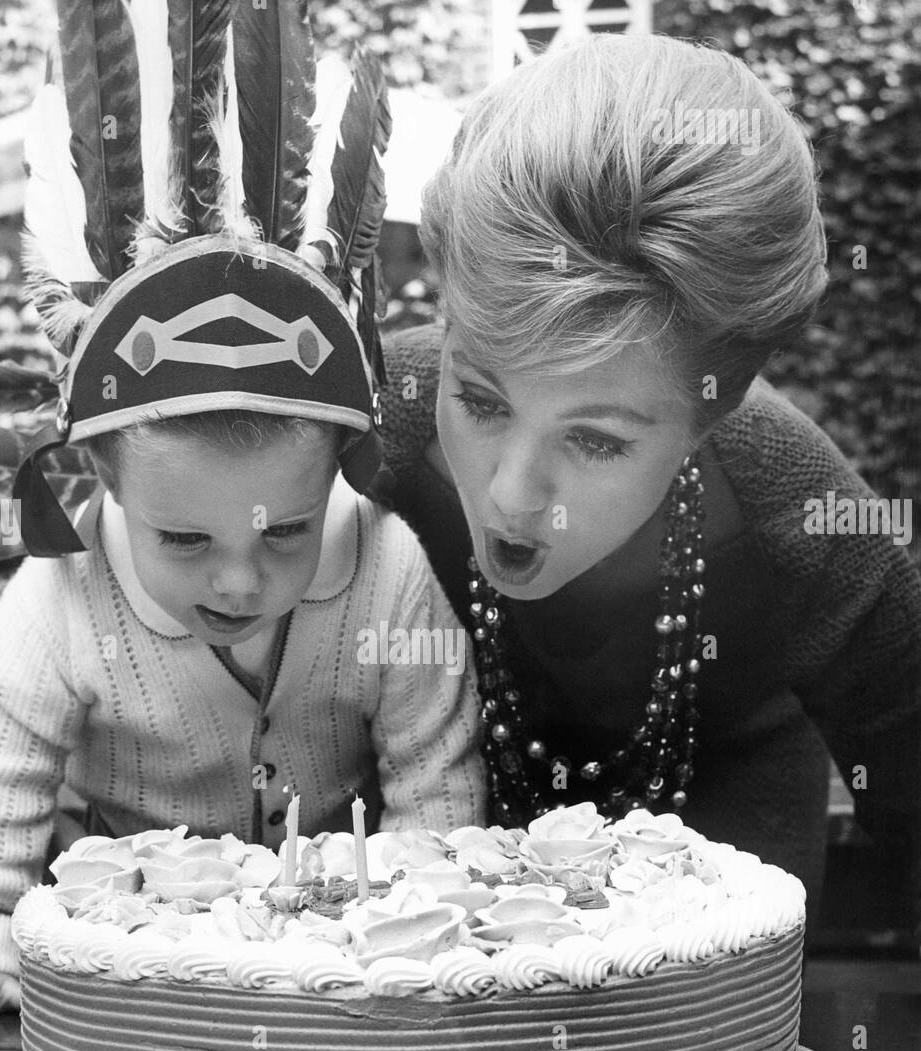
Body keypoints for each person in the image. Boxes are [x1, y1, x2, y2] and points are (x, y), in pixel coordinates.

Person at [0, 4, 483, 1039]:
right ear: (103, 482)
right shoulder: (63, 589)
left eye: (285, 532)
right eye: (186, 541)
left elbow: (433, 781)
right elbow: (1, 757)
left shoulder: (388, 574)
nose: (238, 582)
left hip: (330, 963)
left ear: (340, 475)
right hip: (128, 957)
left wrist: (421, 931)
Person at [372, 33, 921, 932]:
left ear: (715, 410)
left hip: (718, 899)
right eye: (477, 398)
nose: (511, 494)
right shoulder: (366, 431)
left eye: (595, 441)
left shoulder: (803, 515)